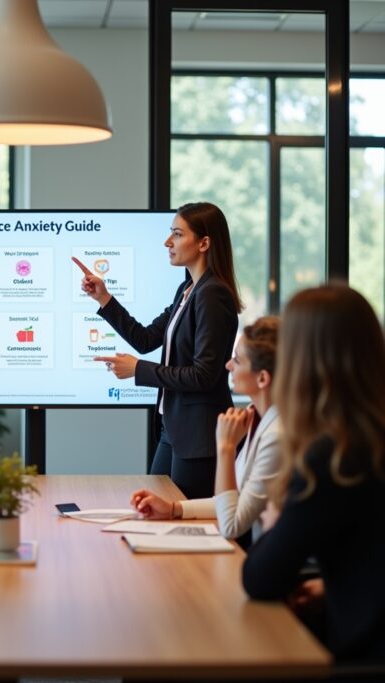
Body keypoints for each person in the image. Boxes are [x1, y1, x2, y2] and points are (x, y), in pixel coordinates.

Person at [242, 284, 385, 663]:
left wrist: (275, 515)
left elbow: (261, 579)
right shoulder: (371, 438)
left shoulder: (334, 457)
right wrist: (331, 586)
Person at [79, 202, 242, 499]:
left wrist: (138, 370)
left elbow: (204, 375)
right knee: (155, 509)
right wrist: (104, 298)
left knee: (181, 522)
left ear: (204, 243)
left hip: (198, 435)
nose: (168, 242)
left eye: (177, 235)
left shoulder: (213, 294)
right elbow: (145, 338)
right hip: (174, 430)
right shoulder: (187, 290)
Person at [130, 316, 280, 544]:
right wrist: (172, 508)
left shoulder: (276, 435)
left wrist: (226, 448)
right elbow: (234, 501)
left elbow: (231, 524)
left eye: (237, 361)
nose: (228, 365)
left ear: (262, 378)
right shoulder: (255, 417)